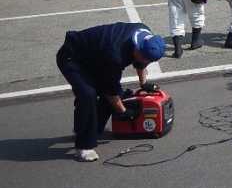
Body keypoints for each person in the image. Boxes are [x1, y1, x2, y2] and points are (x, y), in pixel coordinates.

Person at [56, 22, 165, 162]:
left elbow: (141, 62)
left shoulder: (145, 35)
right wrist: (123, 111)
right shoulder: (115, 53)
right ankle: (84, 146)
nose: (145, 62)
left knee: (112, 94)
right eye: (143, 57)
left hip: (97, 58)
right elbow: (110, 90)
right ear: (138, 47)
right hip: (73, 57)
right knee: (88, 94)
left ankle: (91, 130)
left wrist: (143, 83)